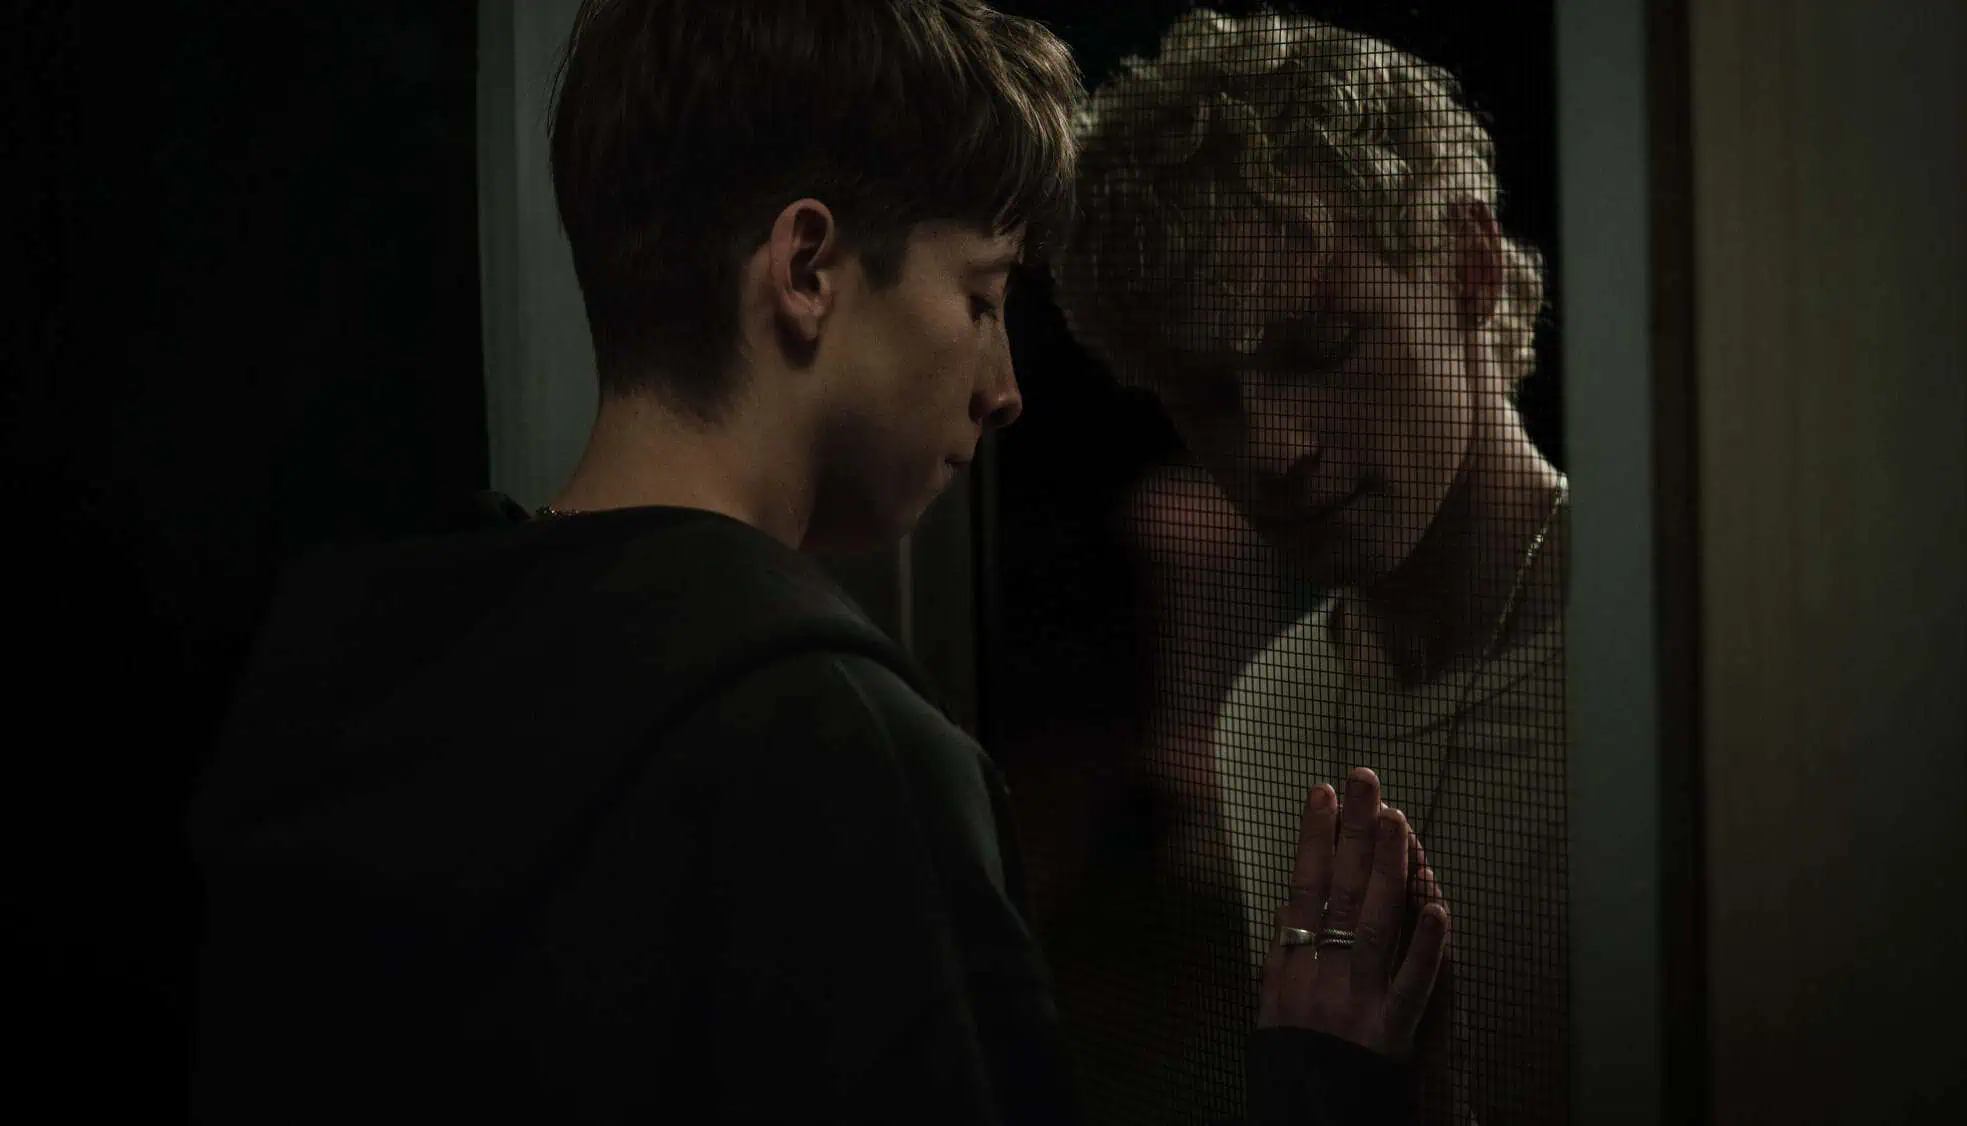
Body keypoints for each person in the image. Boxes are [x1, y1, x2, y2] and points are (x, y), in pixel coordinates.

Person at [183, 2, 1449, 1123]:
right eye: (981, 295)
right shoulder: (840, 754)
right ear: (805, 270)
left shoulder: (342, 683)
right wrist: (1320, 1092)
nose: (1004, 388)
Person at [1052, 9, 1568, 1123]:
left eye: (1322, 347)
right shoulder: (1265, 721)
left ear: (1469, 266)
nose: (1273, 448)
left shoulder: (1670, 657)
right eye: (1210, 397)